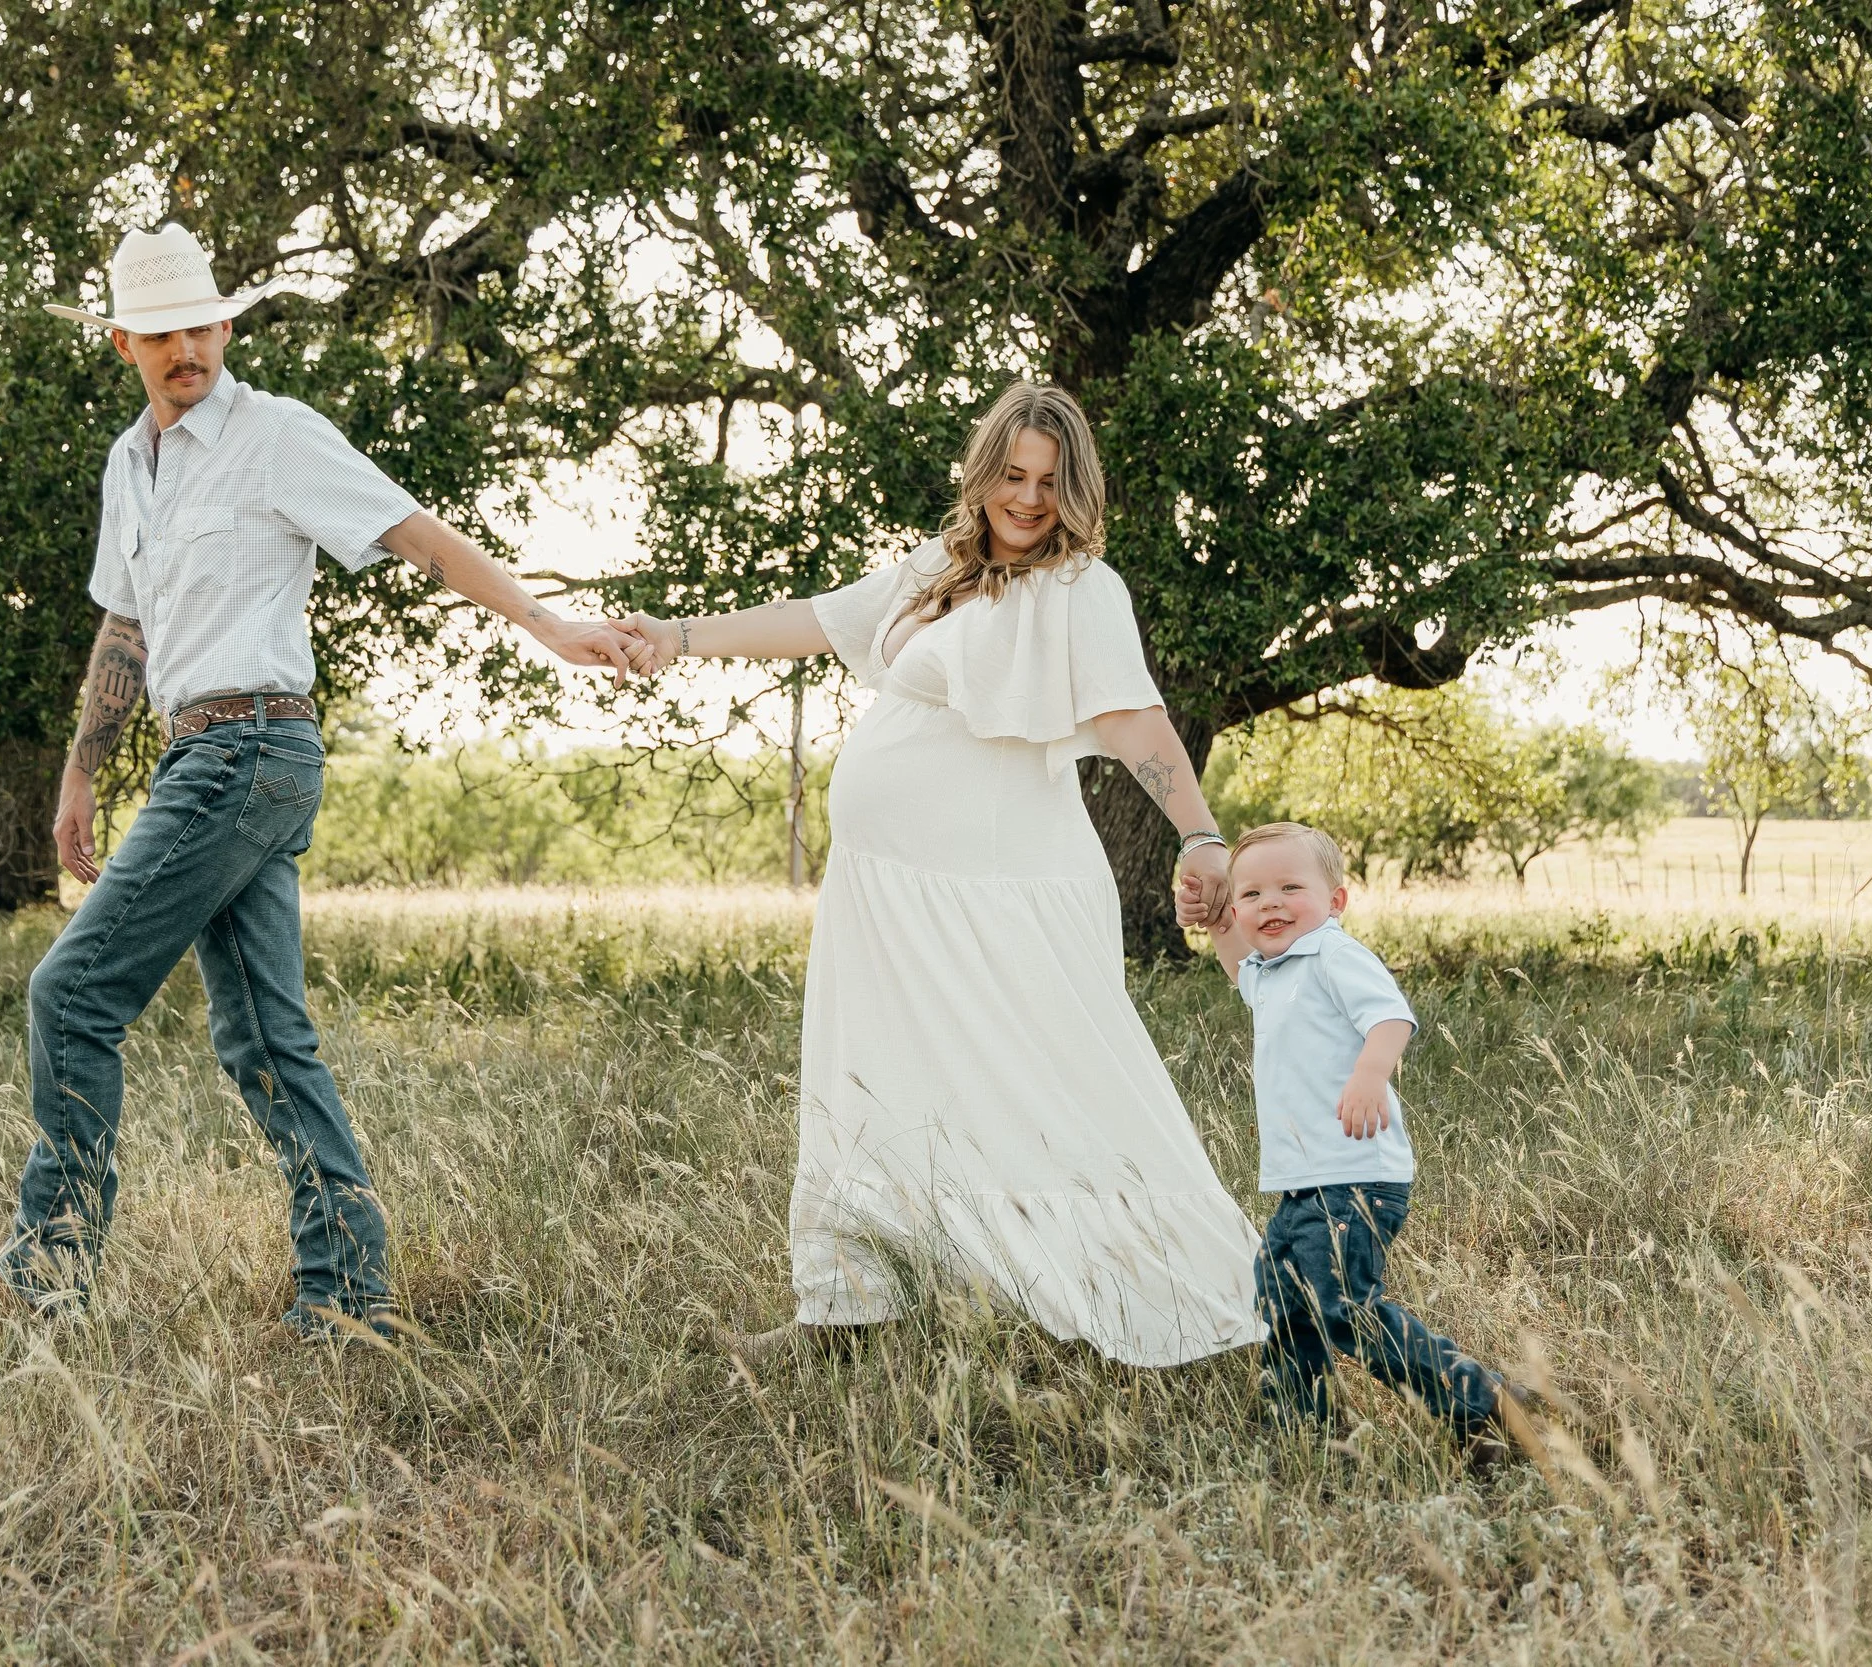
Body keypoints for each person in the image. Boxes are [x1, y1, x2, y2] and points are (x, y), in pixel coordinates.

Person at [0, 224, 644, 1335]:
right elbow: (125, 623)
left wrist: (543, 619)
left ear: (227, 326)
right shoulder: (127, 463)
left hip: (254, 745)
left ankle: (41, 1277)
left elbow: (414, 531)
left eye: (200, 325)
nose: (183, 347)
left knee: (70, 990)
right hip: (204, 749)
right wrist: (78, 774)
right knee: (261, 1037)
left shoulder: (277, 436)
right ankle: (349, 1293)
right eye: (158, 333)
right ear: (121, 343)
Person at [615, 381, 1263, 1366]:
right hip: (885, 888)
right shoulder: (935, 566)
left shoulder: (1080, 590)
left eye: (1050, 480)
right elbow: (817, 620)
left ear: (1075, 488)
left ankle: (1171, 1298)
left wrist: (1201, 835)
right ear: (984, 471)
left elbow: (1135, 719)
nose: (1028, 497)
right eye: (1012, 473)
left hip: (1002, 891)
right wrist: (679, 636)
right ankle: (845, 1308)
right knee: (869, 1080)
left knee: (1053, 1089)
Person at [1189, 822, 1544, 1466]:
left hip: (1354, 1175)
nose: (1270, 903)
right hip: (1302, 1182)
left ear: (1336, 901)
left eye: (1290, 887)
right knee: (1284, 1297)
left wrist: (1369, 1073)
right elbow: (1238, 963)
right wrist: (1215, 920)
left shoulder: (1331, 954)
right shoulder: (1272, 971)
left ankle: (1480, 1400)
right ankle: (1303, 1429)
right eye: (1252, 895)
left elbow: (1390, 1015)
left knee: (1343, 1304)